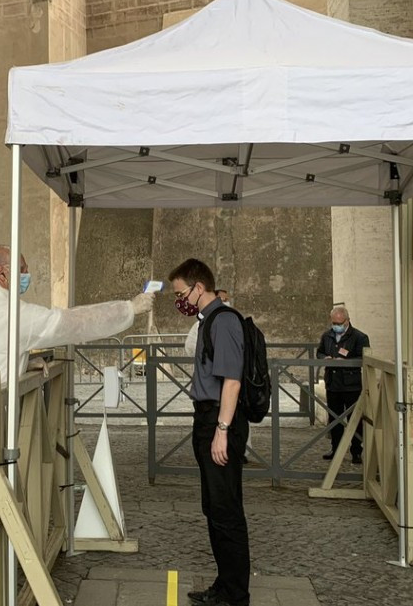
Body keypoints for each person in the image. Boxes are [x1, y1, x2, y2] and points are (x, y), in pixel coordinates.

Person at [0, 245, 155, 605]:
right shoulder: (10, 313)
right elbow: (71, 323)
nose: (28, 277)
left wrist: (21, 364)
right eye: (22, 270)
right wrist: (128, 309)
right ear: (3, 273)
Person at [170, 259, 250, 606]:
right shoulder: (209, 321)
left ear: (198, 287)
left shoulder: (225, 321)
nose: (179, 300)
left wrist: (221, 430)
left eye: (180, 292)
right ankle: (224, 584)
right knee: (215, 508)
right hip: (207, 420)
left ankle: (235, 594)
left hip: (220, 422)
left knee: (226, 509)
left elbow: (231, 380)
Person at [316, 305, 370, 465]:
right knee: (334, 418)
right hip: (333, 383)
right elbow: (319, 351)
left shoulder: (360, 337)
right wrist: (324, 358)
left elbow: (365, 358)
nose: (336, 326)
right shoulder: (327, 336)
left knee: (355, 419)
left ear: (347, 321)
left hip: (351, 385)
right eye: (334, 323)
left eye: (339, 323)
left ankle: (356, 451)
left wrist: (346, 362)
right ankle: (336, 449)